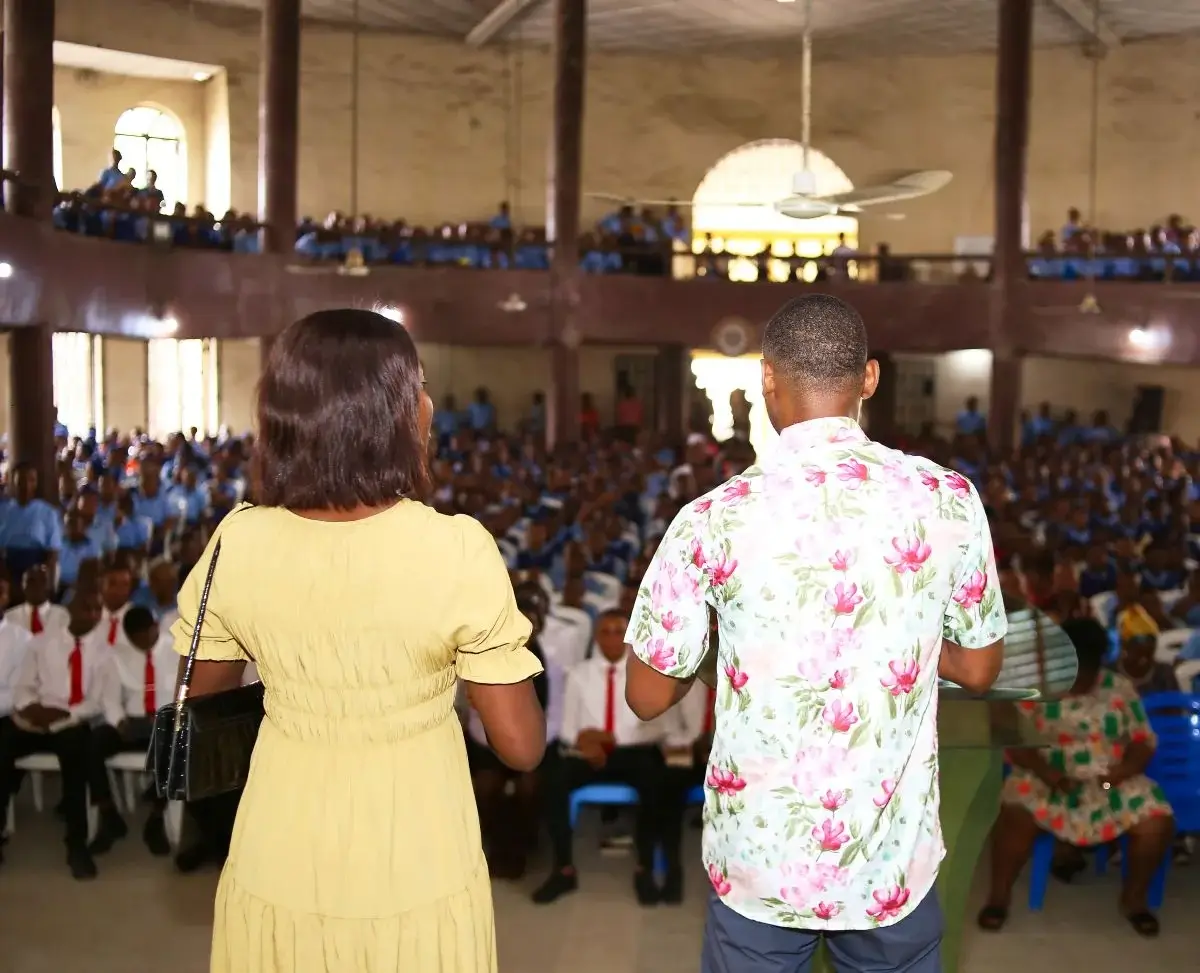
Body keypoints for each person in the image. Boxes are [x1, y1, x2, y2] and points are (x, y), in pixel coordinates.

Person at [622, 294, 1006, 973]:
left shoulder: (712, 518)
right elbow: (978, 669)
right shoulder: (948, 498)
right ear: (870, 379)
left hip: (760, 863)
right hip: (891, 866)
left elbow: (648, 695)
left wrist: (742, 647)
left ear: (766, 377)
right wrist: (903, 639)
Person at [171, 308, 546, 973]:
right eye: (421, 387)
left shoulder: (238, 540)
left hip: (280, 836)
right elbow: (519, 746)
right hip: (416, 848)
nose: (431, 405)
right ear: (393, 414)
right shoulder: (455, 549)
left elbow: (203, 698)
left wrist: (304, 678)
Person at [977, 617, 1175, 938]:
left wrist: (1118, 775)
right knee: (1015, 813)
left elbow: (1142, 740)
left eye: (1087, 676)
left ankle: (1134, 900)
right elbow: (1016, 742)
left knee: (1157, 820)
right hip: (1047, 775)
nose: (1079, 684)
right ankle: (998, 897)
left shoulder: (1118, 688)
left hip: (1109, 779)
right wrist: (1050, 774)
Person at [532, 608, 679, 906]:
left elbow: (658, 726)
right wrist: (587, 742)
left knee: (656, 781)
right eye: (605, 632)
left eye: (618, 632)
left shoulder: (646, 673)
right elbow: (569, 729)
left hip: (632, 751)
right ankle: (563, 869)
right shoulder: (579, 674)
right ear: (596, 636)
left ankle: (645, 869)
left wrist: (614, 739)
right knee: (554, 780)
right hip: (590, 752)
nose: (611, 638)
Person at [0, 587, 114, 879]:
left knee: (77, 759)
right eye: (85, 607)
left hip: (72, 722)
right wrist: (31, 707)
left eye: (96, 609)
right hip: (35, 718)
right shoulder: (41, 644)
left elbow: (97, 702)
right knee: (2, 747)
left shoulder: (104, 651)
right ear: (69, 610)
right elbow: (23, 686)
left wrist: (66, 714)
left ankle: (77, 845)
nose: (91, 615)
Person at [86, 606, 175, 857]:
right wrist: (119, 721)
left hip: (163, 722)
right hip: (131, 723)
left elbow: (186, 695)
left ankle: (156, 819)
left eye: (144, 639)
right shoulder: (118, 656)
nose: (140, 646)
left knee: (176, 744)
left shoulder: (177, 650)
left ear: (155, 628)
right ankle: (109, 816)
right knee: (94, 743)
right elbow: (110, 699)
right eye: (133, 641)